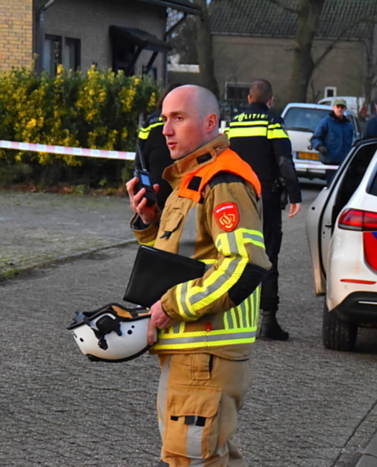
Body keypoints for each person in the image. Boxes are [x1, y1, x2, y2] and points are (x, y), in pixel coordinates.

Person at [126, 85, 271, 467]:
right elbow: (186, 255)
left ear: (210, 122)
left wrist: (170, 307)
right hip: (192, 352)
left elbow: (244, 264)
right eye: (163, 119)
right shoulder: (190, 178)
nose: (166, 130)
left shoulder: (222, 181)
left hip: (205, 352)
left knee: (189, 460)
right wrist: (148, 222)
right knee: (208, 458)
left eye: (178, 118)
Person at [225, 79, 302, 341]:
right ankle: (268, 320)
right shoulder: (272, 123)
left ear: (249, 99)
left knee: (236, 254)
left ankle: (232, 316)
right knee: (268, 255)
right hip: (265, 198)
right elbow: (283, 159)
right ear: (270, 100)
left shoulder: (234, 124)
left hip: (237, 198)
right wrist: (295, 195)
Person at [135, 82, 181, 210]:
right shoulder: (185, 120)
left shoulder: (151, 121)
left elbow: (140, 152)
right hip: (180, 184)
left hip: (155, 183)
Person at [311, 98, 354, 185]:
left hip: (344, 162)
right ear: (333, 107)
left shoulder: (348, 125)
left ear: (345, 108)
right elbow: (315, 138)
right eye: (338, 106)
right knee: (332, 186)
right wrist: (320, 146)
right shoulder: (325, 122)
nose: (340, 109)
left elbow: (352, 142)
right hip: (331, 162)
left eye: (342, 107)